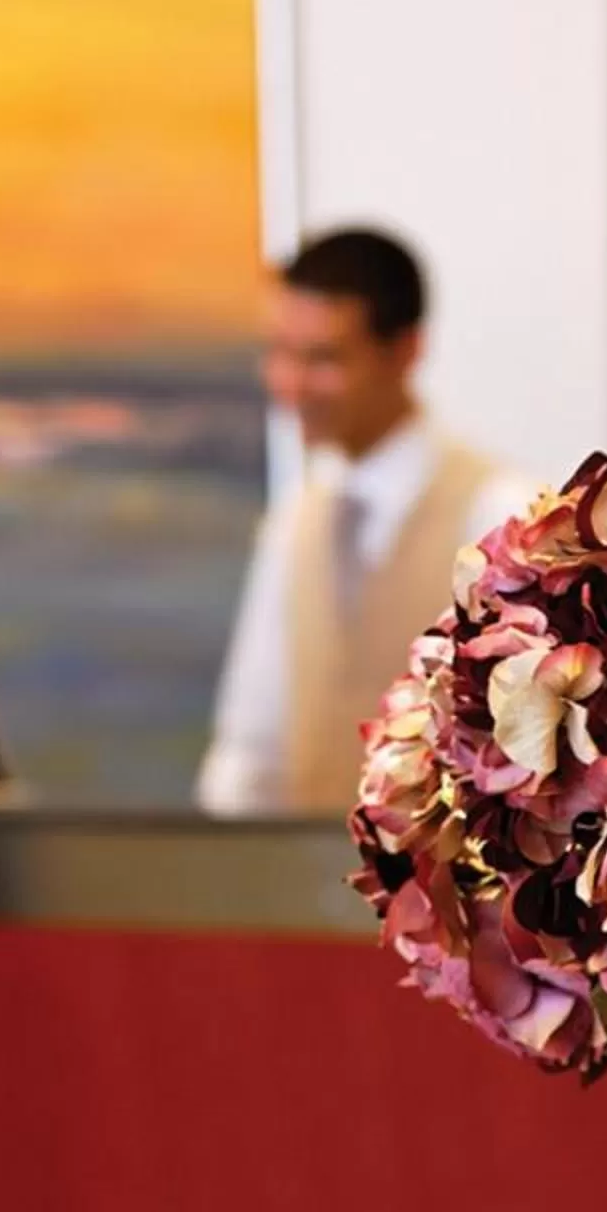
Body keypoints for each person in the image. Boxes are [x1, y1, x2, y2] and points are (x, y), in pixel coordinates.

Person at [197, 228, 534, 817]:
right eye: (281, 353)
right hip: (300, 872)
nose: (291, 384)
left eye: (323, 359)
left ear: (405, 351)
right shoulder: (296, 523)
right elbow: (252, 748)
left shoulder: (498, 514)